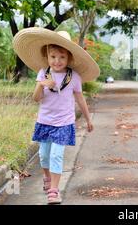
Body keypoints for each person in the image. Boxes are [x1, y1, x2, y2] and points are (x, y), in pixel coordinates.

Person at [13, 28, 100, 204]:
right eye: (53, 57)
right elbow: (36, 98)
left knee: (56, 155)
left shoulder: (73, 77)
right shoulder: (43, 73)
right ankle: (47, 177)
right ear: (47, 57)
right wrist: (42, 85)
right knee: (44, 155)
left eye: (62, 57)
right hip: (44, 122)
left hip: (64, 122)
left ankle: (54, 190)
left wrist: (89, 119)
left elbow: (80, 99)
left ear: (69, 58)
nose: (57, 61)